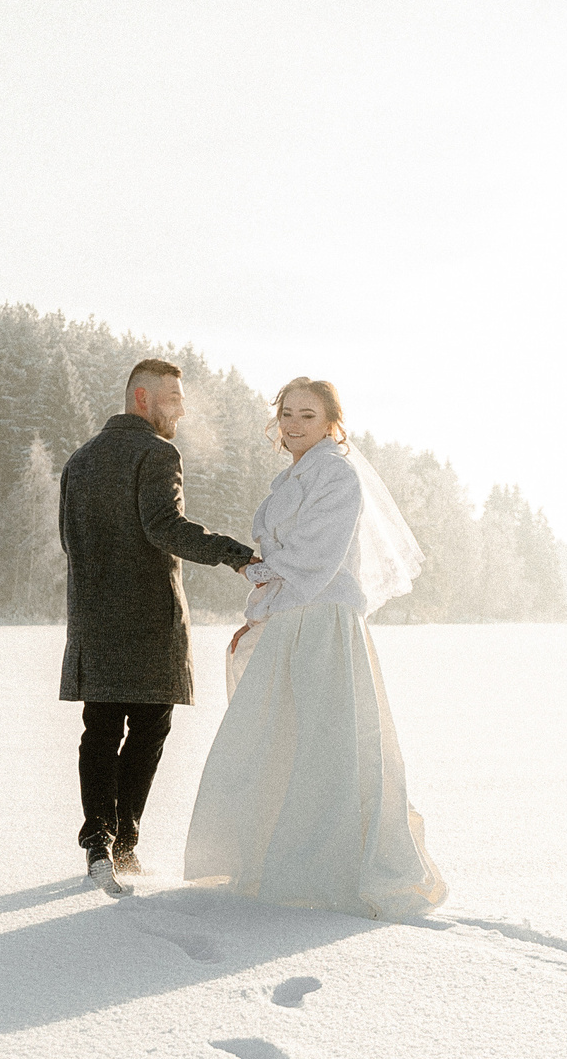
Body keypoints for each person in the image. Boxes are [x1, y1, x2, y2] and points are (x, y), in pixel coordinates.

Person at [182, 377, 448, 919]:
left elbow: (317, 557)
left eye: (307, 415)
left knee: (327, 745)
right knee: (278, 738)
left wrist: (261, 577)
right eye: (287, 414)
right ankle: (275, 861)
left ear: (331, 422)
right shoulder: (293, 477)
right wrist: (261, 615)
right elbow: (292, 561)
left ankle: (328, 869)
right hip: (293, 617)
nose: (294, 424)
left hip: (323, 623)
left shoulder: (337, 474)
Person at [58, 358, 259, 898]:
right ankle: (122, 843)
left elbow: (69, 542)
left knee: (99, 730)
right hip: (147, 621)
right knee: (147, 731)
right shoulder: (157, 452)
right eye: (173, 397)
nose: (182, 408)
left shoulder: (79, 461)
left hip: (94, 622)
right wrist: (235, 555)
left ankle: (100, 843)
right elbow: (163, 526)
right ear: (141, 399)